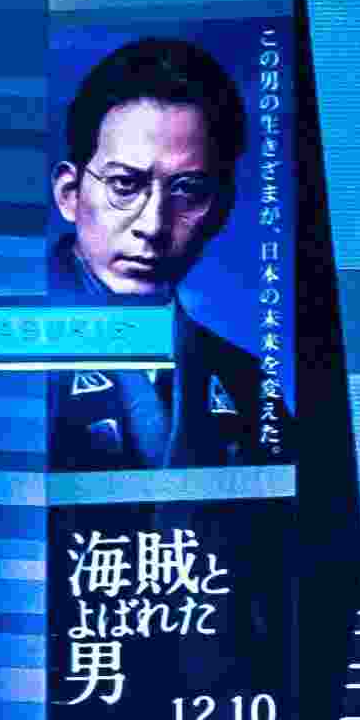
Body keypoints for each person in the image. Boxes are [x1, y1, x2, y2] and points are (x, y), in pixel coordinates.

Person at [43, 37, 266, 471]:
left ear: (220, 208)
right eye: (125, 185)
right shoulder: (1, 352)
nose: (154, 224)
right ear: (70, 194)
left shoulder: (249, 385)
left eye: (186, 191)